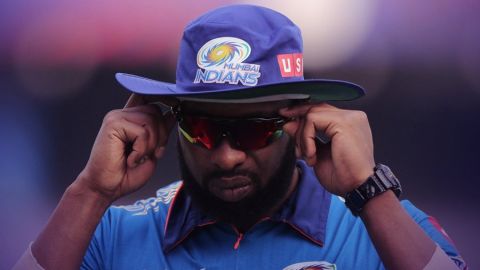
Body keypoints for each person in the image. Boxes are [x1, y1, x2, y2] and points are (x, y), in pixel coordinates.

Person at [14, 4, 466, 270]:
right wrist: (90, 191)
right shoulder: (112, 233)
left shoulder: (380, 228)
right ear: (173, 125)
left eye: (253, 130)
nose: (228, 157)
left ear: (299, 122)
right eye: (205, 129)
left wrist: (369, 193)